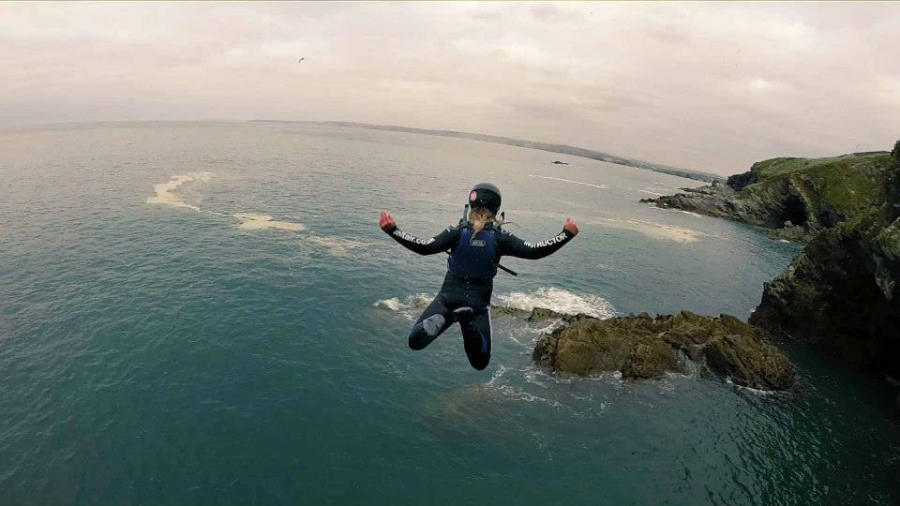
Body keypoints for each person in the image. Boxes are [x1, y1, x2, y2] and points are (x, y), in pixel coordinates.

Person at [378, 182, 579, 370]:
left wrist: (393, 230)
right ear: (497, 209)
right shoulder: (500, 238)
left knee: (415, 342)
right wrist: (565, 234)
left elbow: (424, 247)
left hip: (448, 298)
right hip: (478, 304)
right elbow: (535, 250)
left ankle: (438, 320)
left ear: (470, 205)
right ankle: (468, 325)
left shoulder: (456, 232)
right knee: (480, 362)